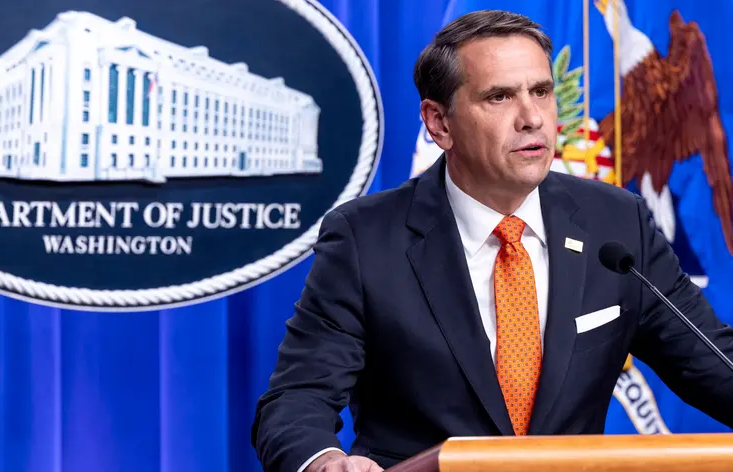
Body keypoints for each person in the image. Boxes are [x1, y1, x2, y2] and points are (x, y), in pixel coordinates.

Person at [251, 9, 733, 472]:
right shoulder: (366, 239)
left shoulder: (617, 222)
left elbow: (713, 361)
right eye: (499, 97)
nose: (532, 118)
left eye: (541, 91)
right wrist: (324, 461)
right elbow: (298, 396)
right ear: (439, 123)